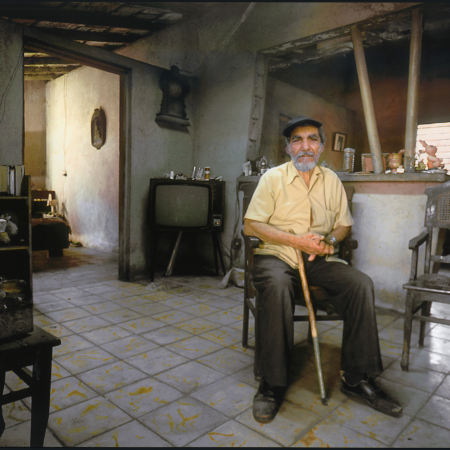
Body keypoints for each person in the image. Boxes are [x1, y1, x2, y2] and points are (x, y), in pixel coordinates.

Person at [244, 116, 402, 423]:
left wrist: (329, 240)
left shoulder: (331, 180)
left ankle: (356, 377)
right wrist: (295, 240)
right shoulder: (273, 178)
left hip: (318, 259)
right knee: (276, 285)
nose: (305, 146)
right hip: (277, 255)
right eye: (297, 140)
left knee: (360, 284)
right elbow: (251, 225)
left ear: (321, 147)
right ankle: (272, 383)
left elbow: (343, 225)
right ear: (288, 148)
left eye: (312, 139)